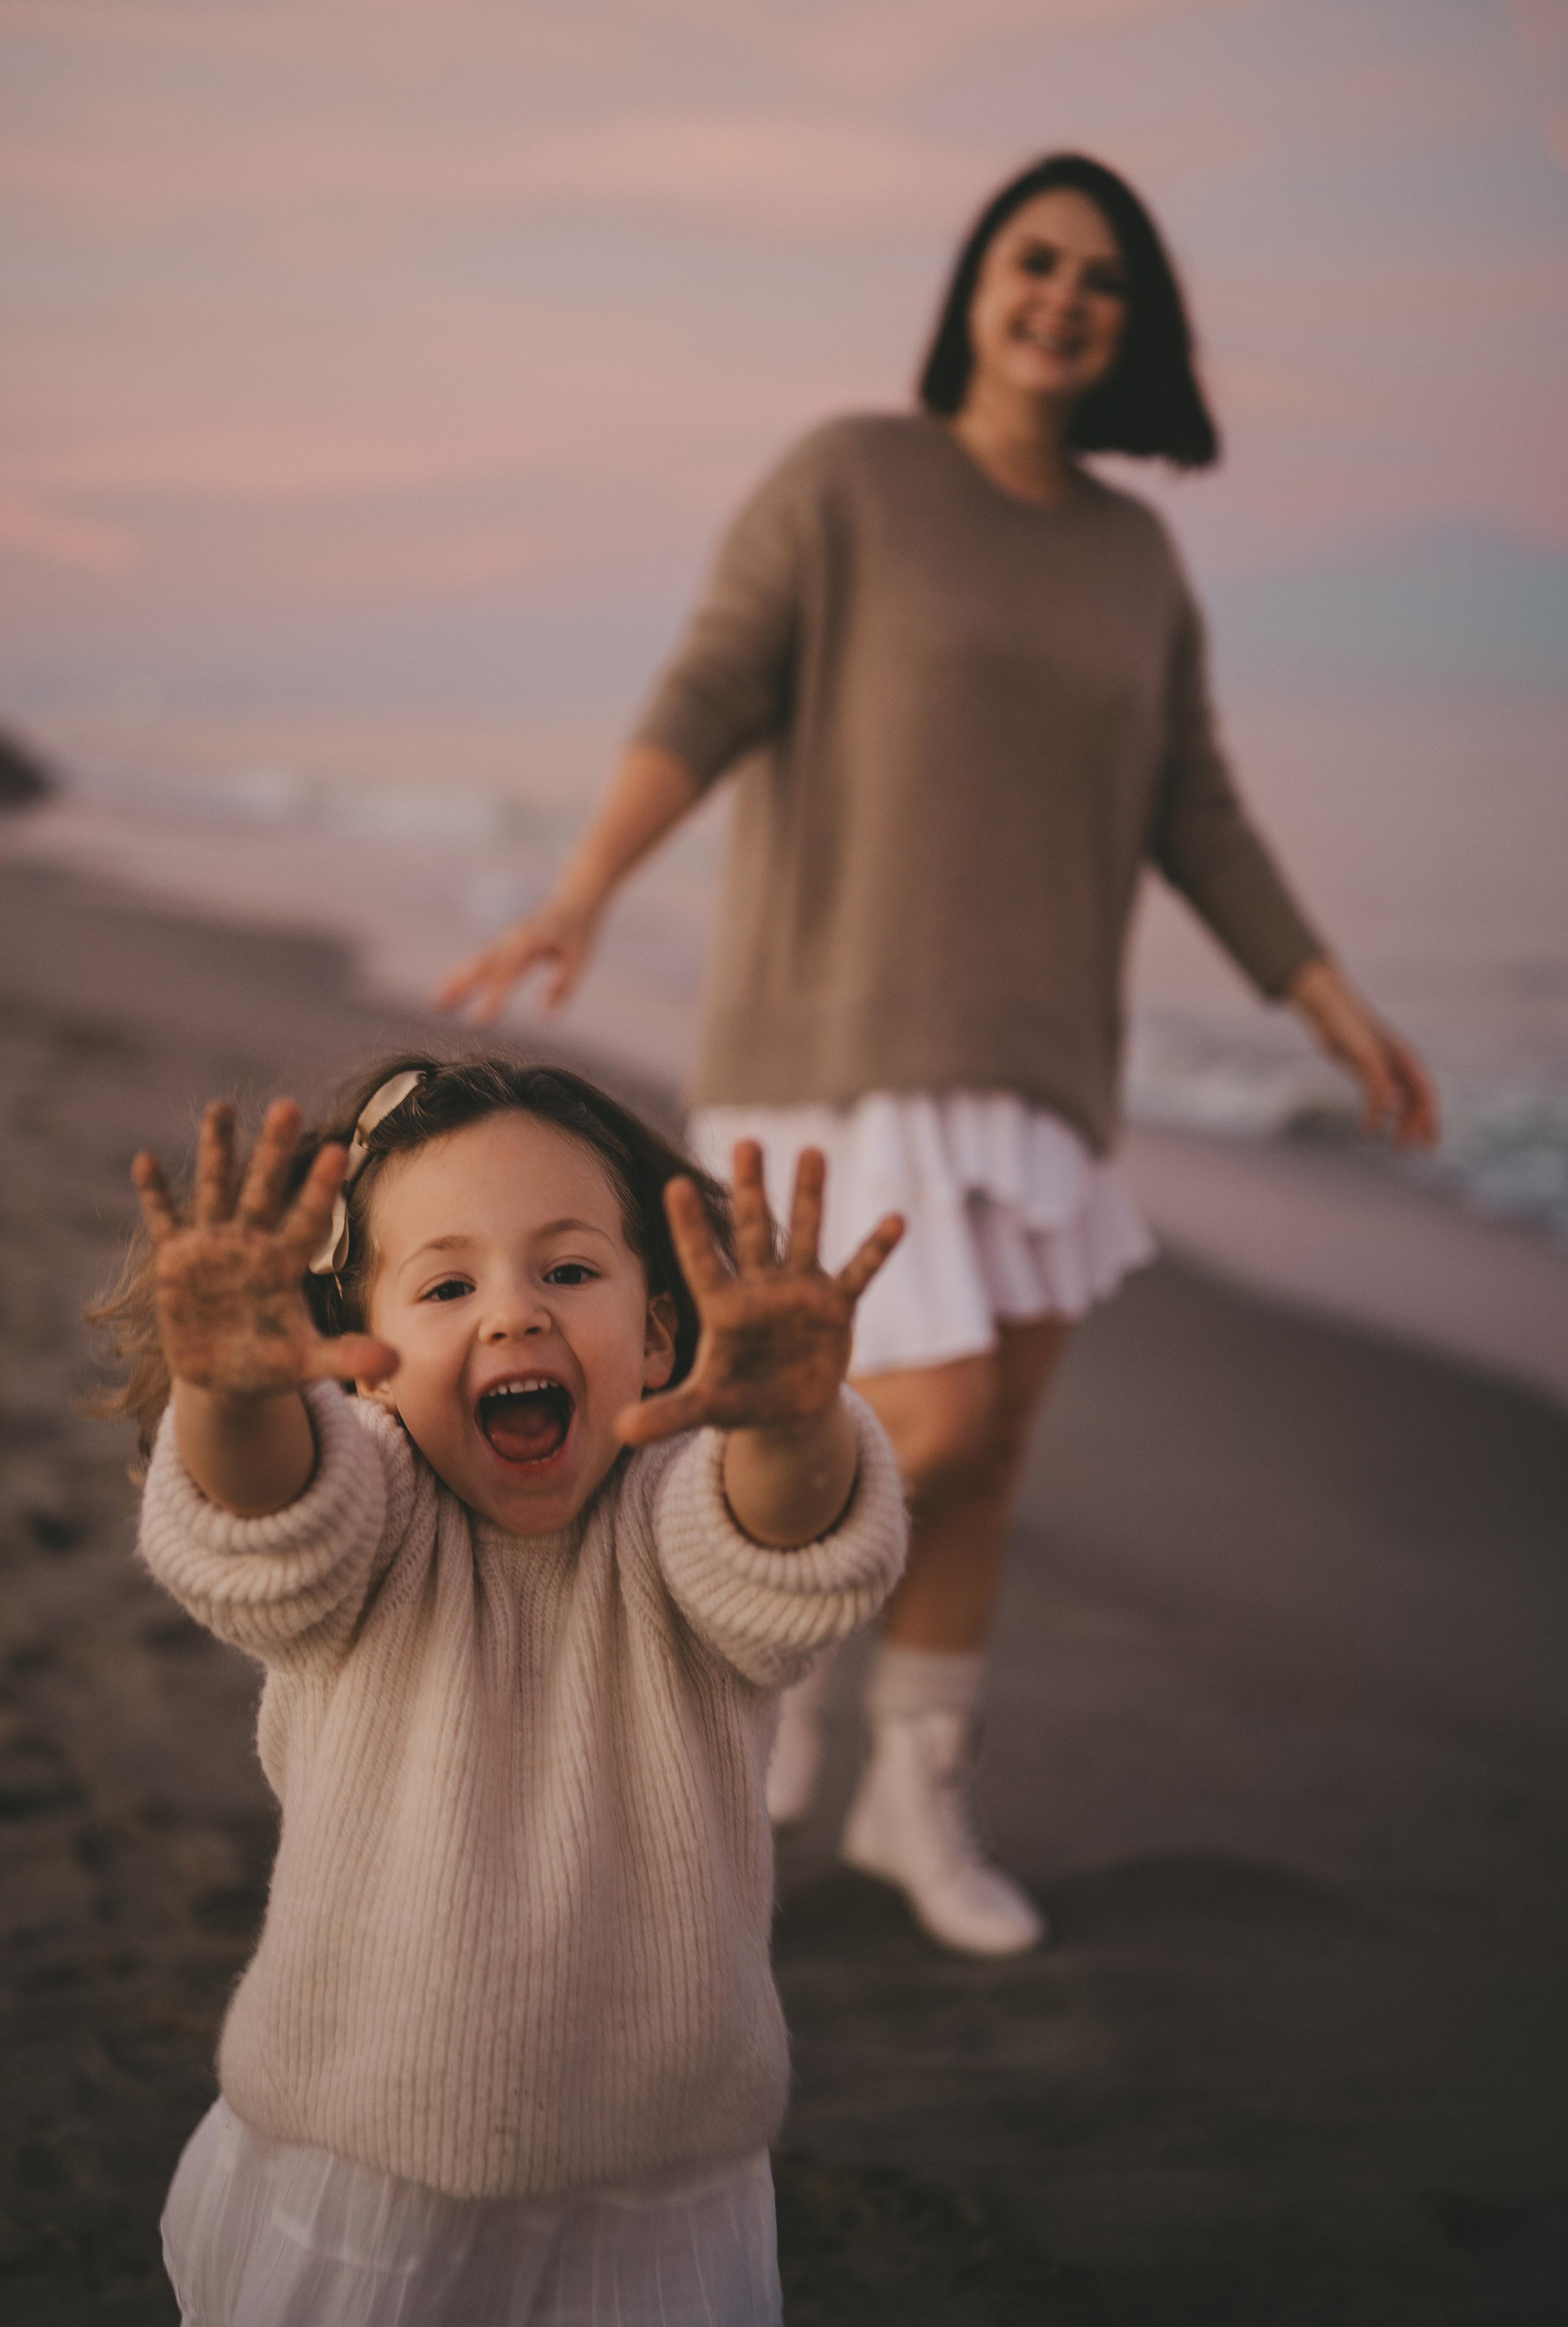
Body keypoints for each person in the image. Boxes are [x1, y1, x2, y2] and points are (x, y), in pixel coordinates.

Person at [437, 153, 1438, 1961]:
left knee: (991, 1454)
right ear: (978, 283)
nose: (1062, 297)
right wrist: (583, 884)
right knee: (929, 1410)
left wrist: (1329, 1000)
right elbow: (713, 683)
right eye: (1033, 261)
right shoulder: (853, 479)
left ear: (1135, 328)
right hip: (838, 1047)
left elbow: (1193, 809)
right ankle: (737, 1626)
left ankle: (916, 1793)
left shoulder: (1138, 555)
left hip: (1040, 1062)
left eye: (1101, 280)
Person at [89, 1056, 906, 2326]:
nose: (514, 1315)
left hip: (657, 2181)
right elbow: (262, 1510)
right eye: (448, 1284)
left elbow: (780, 1547)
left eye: (568, 1270)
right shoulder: (364, 1510)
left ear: (655, 1331)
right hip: (365, 2160)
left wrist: (793, 1422)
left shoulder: (677, 1509)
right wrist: (231, 1389)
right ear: (356, 1364)